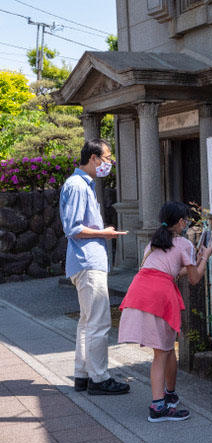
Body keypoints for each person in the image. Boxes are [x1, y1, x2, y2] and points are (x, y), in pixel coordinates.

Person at [118, 201, 212, 422]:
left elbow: (169, 269)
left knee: (168, 348)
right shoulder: (184, 243)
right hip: (160, 295)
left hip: (140, 291)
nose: (187, 223)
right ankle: (158, 406)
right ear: (180, 222)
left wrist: (194, 259)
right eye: (186, 220)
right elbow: (194, 278)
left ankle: (170, 394)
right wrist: (205, 256)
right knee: (161, 353)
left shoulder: (154, 242)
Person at [60, 138, 130, 396]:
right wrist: (104, 234)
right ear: (93, 158)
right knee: (98, 323)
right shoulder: (78, 186)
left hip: (83, 262)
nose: (109, 163)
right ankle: (99, 378)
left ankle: (83, 374)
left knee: (87, 322)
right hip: (88, 263)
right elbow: (74, 228)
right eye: (107, 157)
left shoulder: (78, 184)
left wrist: (103, 233)